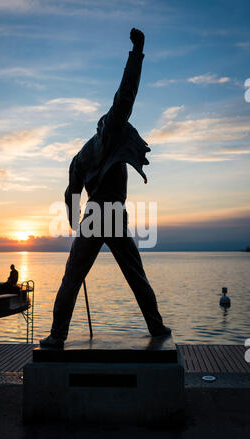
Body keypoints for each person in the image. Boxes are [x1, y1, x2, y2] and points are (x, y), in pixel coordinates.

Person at [40, 28, 171, 348]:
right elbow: (126, 95)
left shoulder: (80, 155)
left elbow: (71, 192)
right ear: (108, 126)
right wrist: (137, 52)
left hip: (91, 217)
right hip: (111, 214)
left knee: (72, 277)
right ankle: (156, 327)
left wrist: (74, 220)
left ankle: (58, 335)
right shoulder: (111, 134)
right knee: (135, 275)